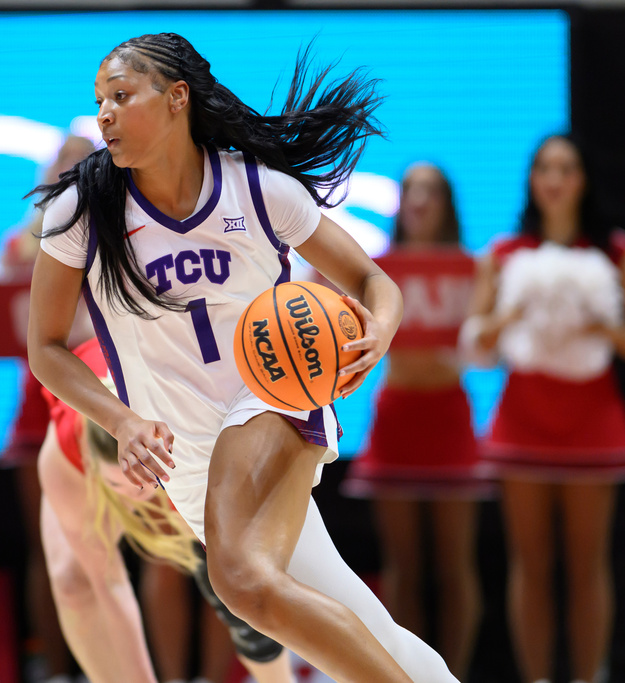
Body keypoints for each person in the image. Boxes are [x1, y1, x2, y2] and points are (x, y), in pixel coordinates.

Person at [27, 33, 457, 682]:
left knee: (238, 579)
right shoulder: (83, 211)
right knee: (354, 621)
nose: (104, 114)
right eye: (99, 102)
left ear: (176, 98)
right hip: (186, 457)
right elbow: (46, 350)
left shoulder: (257, 191)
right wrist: (122, 420)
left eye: (120, 96)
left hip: (271, 394)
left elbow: (374, 284)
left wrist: (381, 329)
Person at [462, 134, 625, 683]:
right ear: (532, 179)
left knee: (586, 564)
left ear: (583, 179)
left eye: (567, 168)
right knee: (530, 563)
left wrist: (605, 327)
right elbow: (474, 346)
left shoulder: (616, 249)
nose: (555, 178)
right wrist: (509, 316)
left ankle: (589, 675)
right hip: (522, 419)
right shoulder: (502, 253)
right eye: (545, 167)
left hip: (594, 421)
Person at [39, 338, 295, 683]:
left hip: (178, 435)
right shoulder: (65, 460)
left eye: (142, 483)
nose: (135, 499)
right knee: (73, 581)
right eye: (120, 485)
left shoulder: (190, 436)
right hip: (99, 432)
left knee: (237, 580)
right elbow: (110, 586)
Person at [342, 163, 487, 678]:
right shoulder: (376, 269)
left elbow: (490, 344)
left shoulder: (475, 266)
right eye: (411, 190)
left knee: (454, 567)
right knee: (401, 566)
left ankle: (456, 673)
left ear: (448, 202)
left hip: (450, 418)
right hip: (396, 418)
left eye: (432, 190)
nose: (420, 199)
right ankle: (407, 675)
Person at [0, 134, 95, 683]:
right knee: (49, 548)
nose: (75, 169)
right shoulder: (23, 242)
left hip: (106, 409)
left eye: (86, 160)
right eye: (66, 161)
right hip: (40, 411)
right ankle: (53, 668)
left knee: (103, 549)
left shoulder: (127, 234)